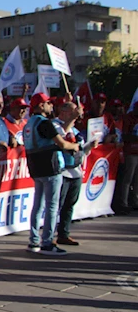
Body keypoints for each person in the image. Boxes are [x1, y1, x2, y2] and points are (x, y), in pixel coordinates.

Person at [23, 93, 80, 255]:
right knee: (51, 206)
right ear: (40, 105)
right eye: (48, 102)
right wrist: (73, 147)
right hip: (50, 166)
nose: (51, 105)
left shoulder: (29, 124)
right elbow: (61, 143)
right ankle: (47, 242)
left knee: (38, 205)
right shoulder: (44, 123)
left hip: (35, 167)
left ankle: (34, 241)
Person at [54, 101, 95, 246]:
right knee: (57, 204)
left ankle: (63, 233)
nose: (75, 116)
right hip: (62, 171)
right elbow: (62, 136)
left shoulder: (76, 130)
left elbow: (81, 149)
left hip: (76, 171)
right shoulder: (55, 125)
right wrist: (72, 119)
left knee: (69, 204)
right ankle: (50, 235)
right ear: (63, 111)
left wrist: (90, 145)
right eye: (72, 112)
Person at [116, 102, 138, 215]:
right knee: (128, 178)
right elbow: (125, 135)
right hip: (130, 152)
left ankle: (135, 200)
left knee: (136, 179)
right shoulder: (128, 118)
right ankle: (123, 203)